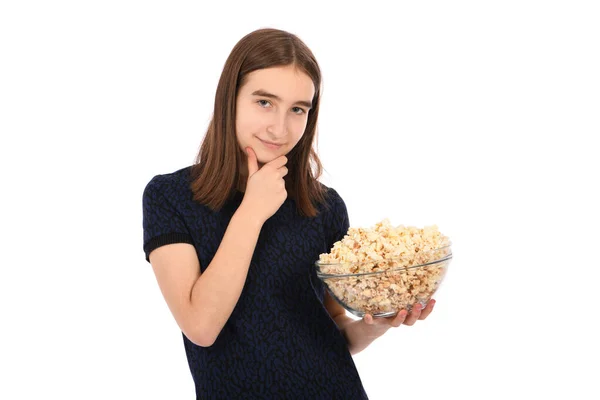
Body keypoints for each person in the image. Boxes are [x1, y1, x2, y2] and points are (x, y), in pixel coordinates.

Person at [142, 27, 435, 399]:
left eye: (297, 109)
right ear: (229, 98)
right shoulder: (170, 196)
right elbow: (201, 326)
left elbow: (334, 329)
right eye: (264, 102)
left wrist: (377, 325)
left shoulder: (324, 205)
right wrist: (252, 212)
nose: (280, 128)